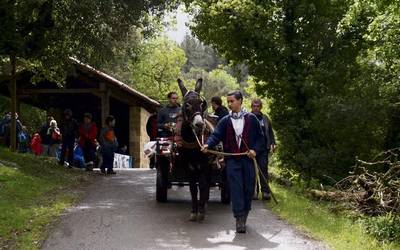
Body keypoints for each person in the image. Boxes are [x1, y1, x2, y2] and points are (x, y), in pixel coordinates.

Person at [202, 91, 264, 233]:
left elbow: (260, 139)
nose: (229, 104)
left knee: (248, 189)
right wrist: (207, 145)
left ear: (240, 101)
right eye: (228, 102)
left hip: (248, 160)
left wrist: (254, 150)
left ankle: (245, 213)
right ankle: (239, 219)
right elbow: (216, 135)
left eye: (232, 101)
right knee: (236, 189)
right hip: (232, 161)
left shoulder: (252, 119)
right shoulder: (225, 120)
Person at [251, 99, 276, 200]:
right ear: (251, 107)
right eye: (254, 106)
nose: (256, 108)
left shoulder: (265, 118)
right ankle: (253, 192)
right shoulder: (248, 118)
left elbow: (270, 132)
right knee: (252, 171)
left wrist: (273, 143)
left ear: (260, 107)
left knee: (263, 169)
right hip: (251, 150)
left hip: (263, 149)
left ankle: (265, 192)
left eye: (258, 106)